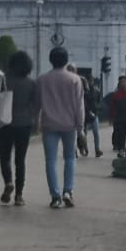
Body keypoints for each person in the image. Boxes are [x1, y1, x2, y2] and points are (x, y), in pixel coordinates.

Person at [36, 47, 85, 208]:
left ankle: (55, 196)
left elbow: (37, 104)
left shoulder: (42, 79)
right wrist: (80, 127)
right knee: (70, 158)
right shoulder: (74, 79)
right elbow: (79, 106)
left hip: (49, 123)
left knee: (50, 160)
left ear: (51, 60)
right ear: (66, 60)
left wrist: (37, 121)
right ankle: (68, 191)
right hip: (69, 124)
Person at [0, 50, 39, 206]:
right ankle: (19, 195)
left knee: (5, 157)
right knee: (20, 160)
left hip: (5, 122)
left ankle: (8, 182)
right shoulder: (31, 83)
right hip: (24, 124)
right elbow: (35, 105)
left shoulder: (3, 80)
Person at [82, 75, 103, 158]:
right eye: (88, 81)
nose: (90, 83)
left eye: (91, 81)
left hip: (94, 114)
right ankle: (84, 148)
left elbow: (100, 102)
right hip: (84, 114)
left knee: (96, 132)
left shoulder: (96, 91)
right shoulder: (83, 91)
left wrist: (96, 108)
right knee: (84, 134)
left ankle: (97, 149)